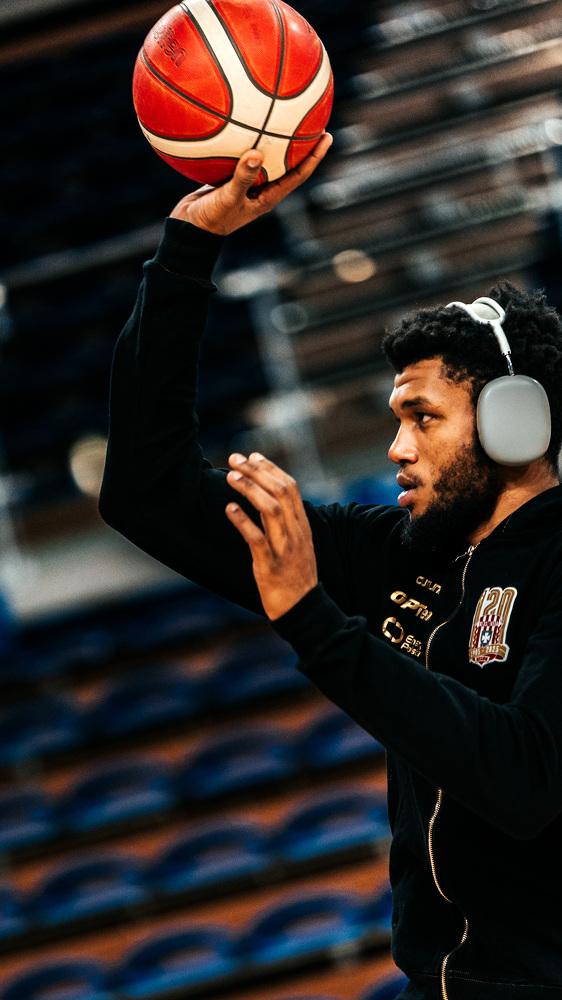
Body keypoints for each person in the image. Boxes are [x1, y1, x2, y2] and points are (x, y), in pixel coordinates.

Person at [99, 140, 562, 999]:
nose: (396, 448)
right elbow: (146, 491)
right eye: (396, 419)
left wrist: (314, 620)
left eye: (423, 417)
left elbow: (525, 779)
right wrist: (190, 248)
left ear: (516, 423)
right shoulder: (392, 551)